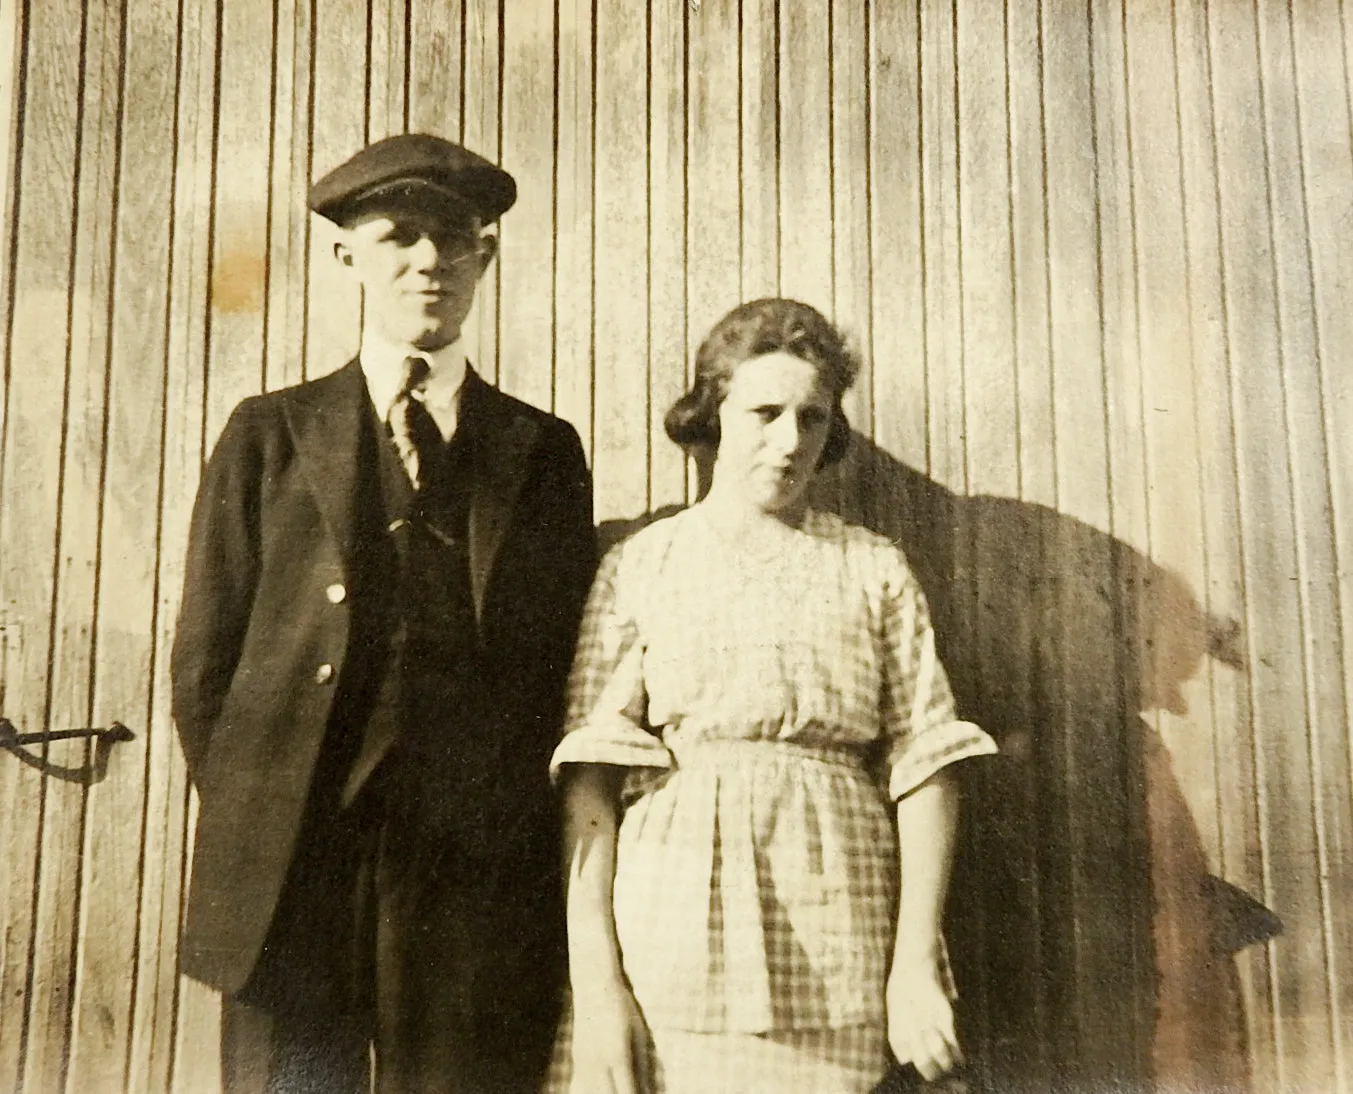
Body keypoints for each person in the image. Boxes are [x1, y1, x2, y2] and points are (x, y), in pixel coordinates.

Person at [171, 133, 597, 1094]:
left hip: (469, 872)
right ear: (347, 257)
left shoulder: (541, 449)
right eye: (397, 235)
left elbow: (563, 663)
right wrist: (264, 804)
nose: (426, 261)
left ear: (484, 255)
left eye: (453, 238)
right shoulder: (267, 433)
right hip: (296, 860)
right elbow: (206, 663)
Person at [548, 298, 997, 1093]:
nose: (789, 442)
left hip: (837, 922)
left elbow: (928, 764)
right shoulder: (644, 563)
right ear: (713, 413)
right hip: (671, 923)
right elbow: (590, 783)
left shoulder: (870, 565)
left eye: (811, 419)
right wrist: (598, 990)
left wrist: (914, 965)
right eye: (763, 412)